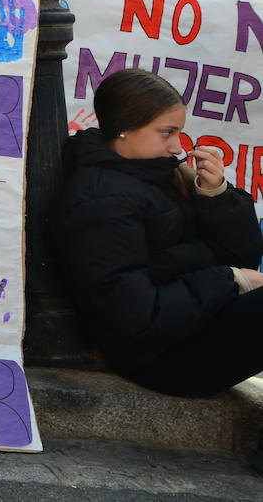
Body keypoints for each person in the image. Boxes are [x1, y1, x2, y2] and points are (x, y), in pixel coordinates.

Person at [56, 68, 263, 426]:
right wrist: (229, 279)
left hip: (192, 326)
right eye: (166, 133)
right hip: (161, 357)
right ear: (123, 128)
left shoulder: (153, 172)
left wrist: (213, 196)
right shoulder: (102, 201)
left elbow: (242, 253)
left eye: (178, 132)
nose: (177, 146)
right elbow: (139, 318)